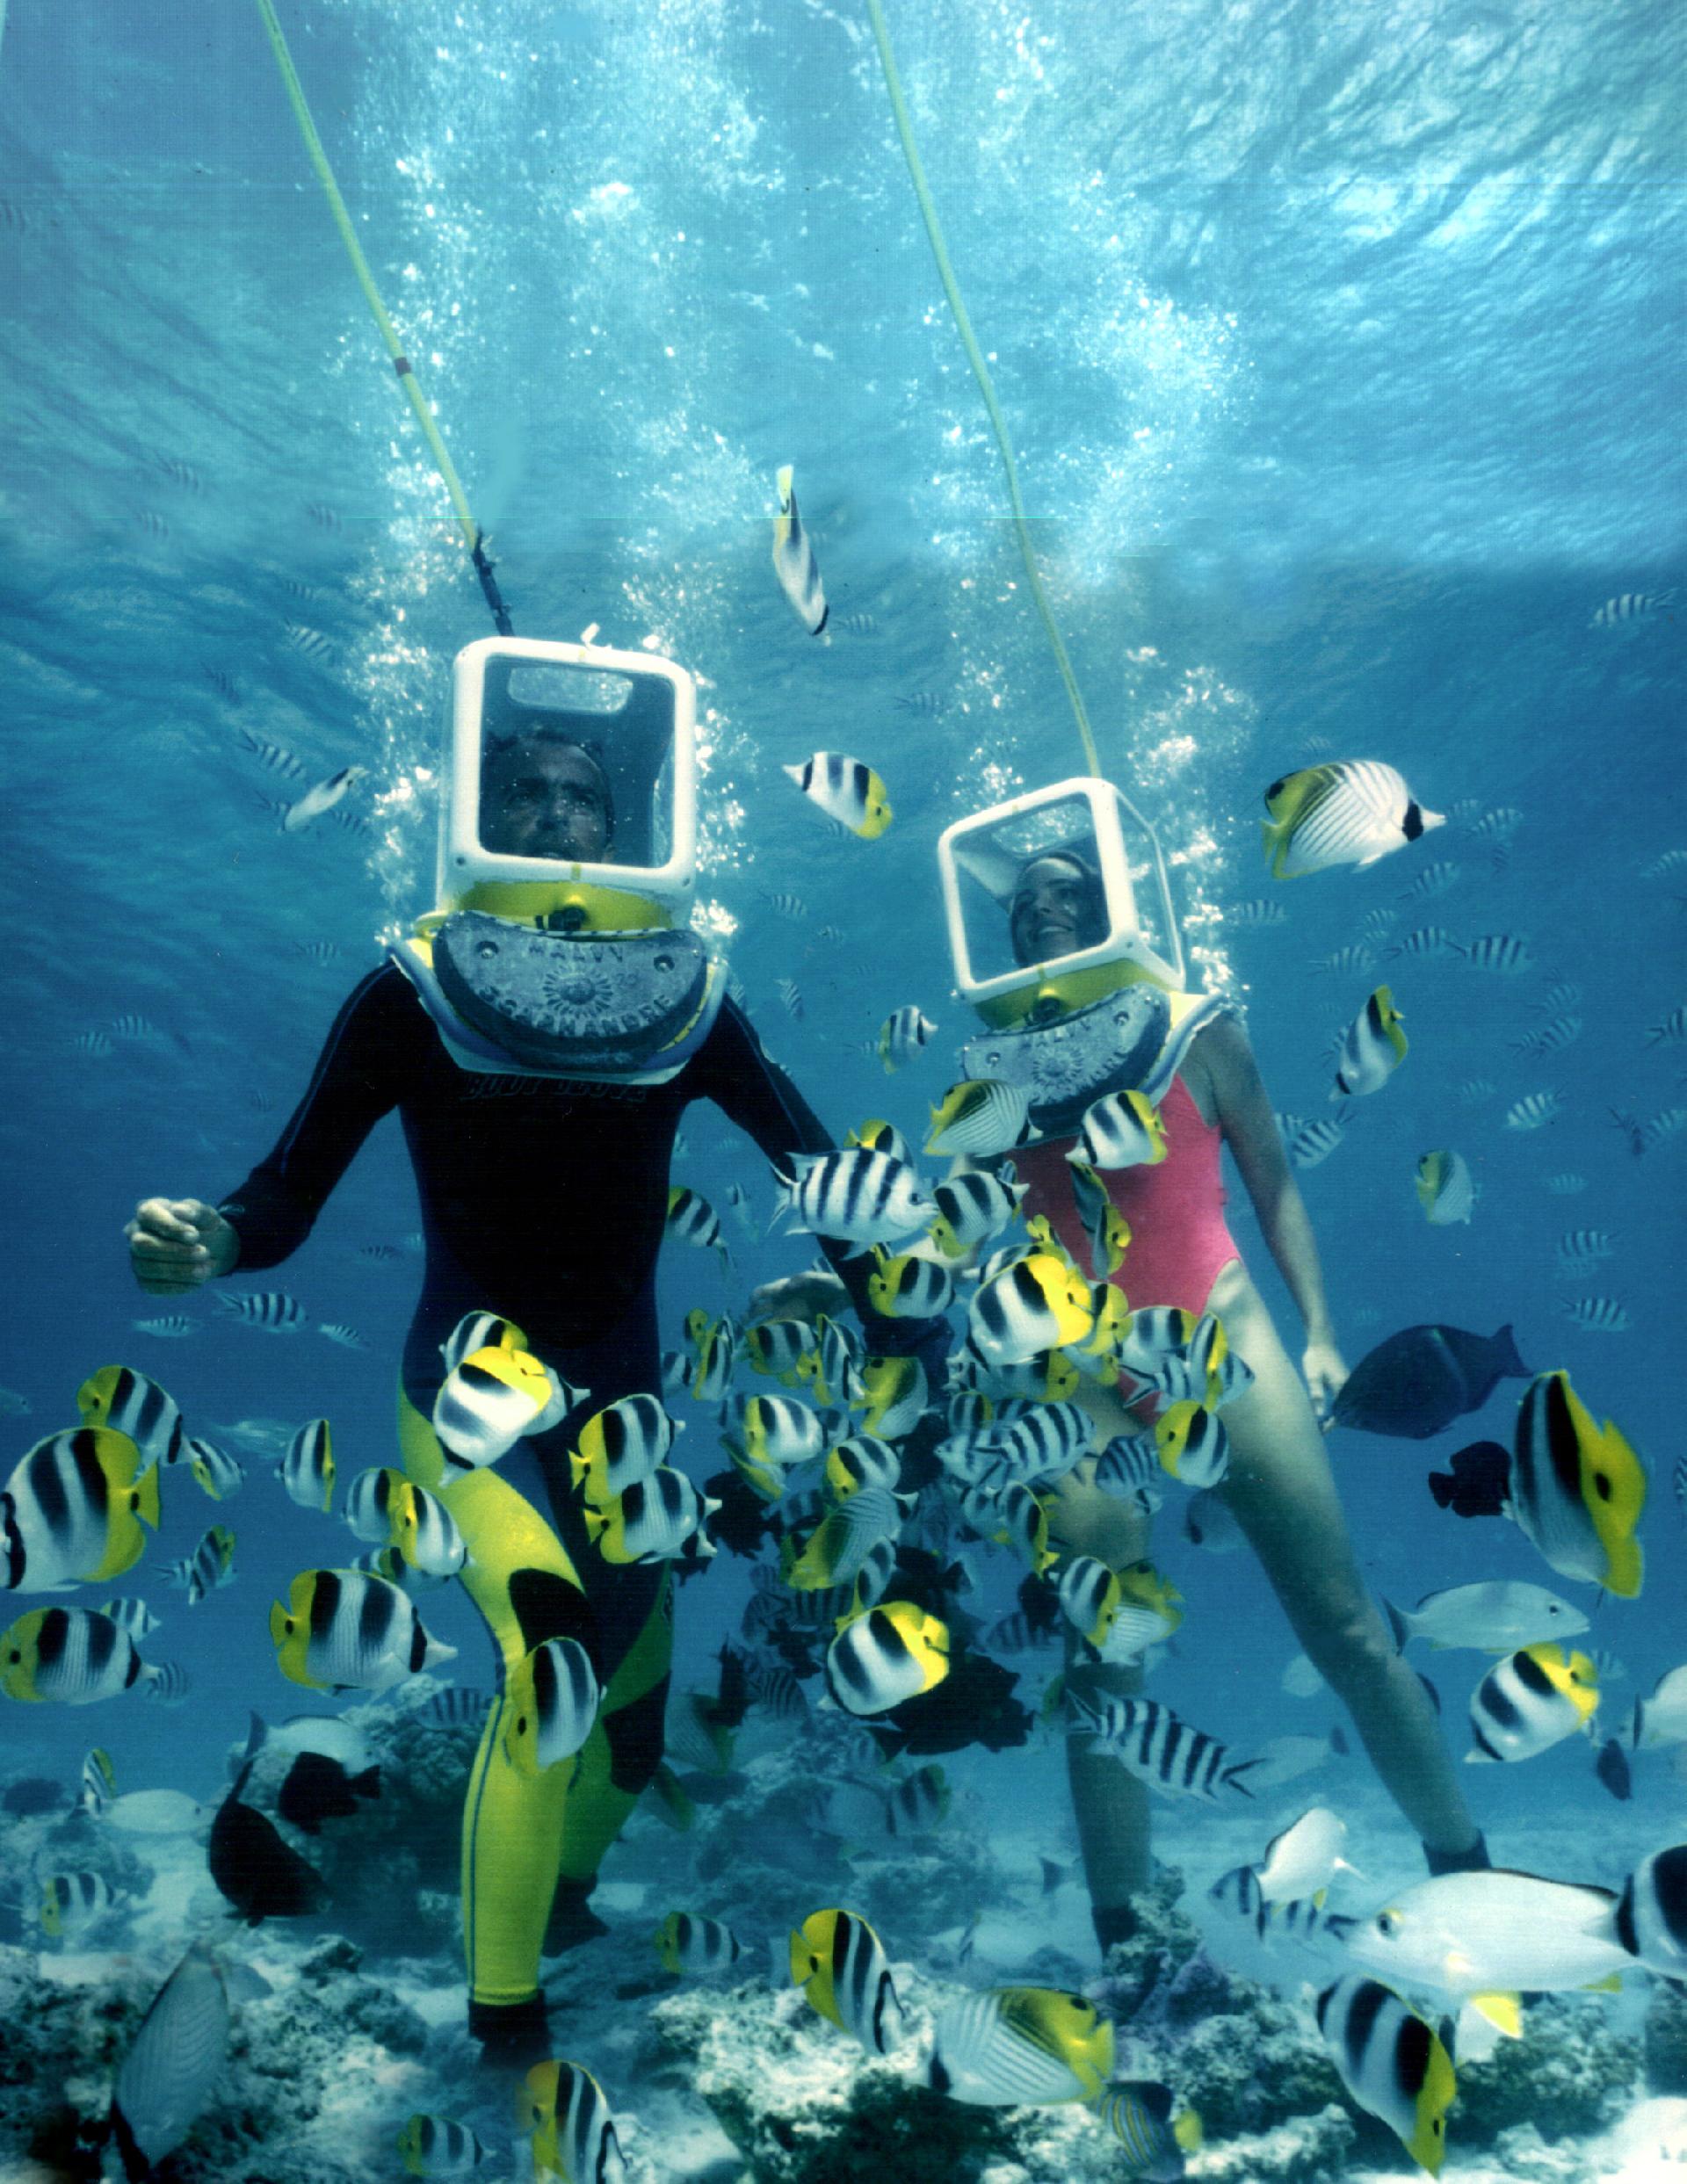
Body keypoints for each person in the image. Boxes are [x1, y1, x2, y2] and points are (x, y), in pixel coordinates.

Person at [127, 655, 943, 2065]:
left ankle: (558, 1902)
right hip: (464, 1409)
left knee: (632, 1726)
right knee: (549, 1658)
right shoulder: (411, 990)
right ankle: (508, 2034)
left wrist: (907, 1328)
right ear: (476, 812)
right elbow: (286, 1190)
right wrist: (211, 1240)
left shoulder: (692, 1000)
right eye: (526, 791)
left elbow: (817, 1168)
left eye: (582, 795)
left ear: (624, 827)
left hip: (626, 1424)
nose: (557, 814)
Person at [986, 846, 1488, 1953]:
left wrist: (1321, 1333)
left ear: (1113, 906)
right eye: (1023, 903)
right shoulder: (994, 1068)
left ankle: (1469, 1873)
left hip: (1225, 1341)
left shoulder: (1199, 1029)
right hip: (1083, 1379)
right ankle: (1126, 1944)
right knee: (1100, 1662)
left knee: (1349, 1630)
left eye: (1067, 894)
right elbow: (965, 1227)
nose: (1043, 913)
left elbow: (1273, 1181)